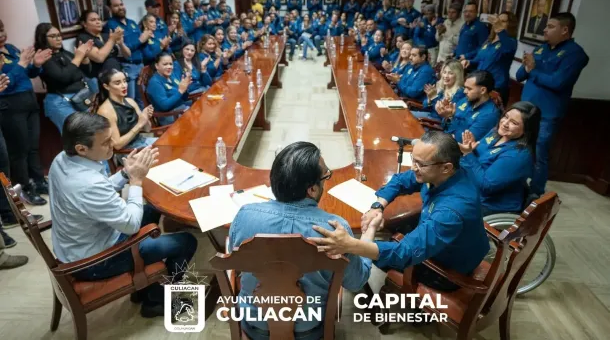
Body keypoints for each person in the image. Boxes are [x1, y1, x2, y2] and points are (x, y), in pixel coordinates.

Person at [49, 112, 197, 317]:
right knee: (186, 242)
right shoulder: (87, 184)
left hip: (81, 243)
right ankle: (156, 301)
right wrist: (136, 181)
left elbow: (99, 193)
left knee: (153, 209)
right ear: (81, 148)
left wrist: (126, 173)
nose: (113, 145)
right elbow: (131, 224)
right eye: (106, 142)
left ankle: (144, 288)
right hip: (95, 261)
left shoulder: (62, 160)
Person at [311, 131, 490, 292]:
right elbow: (400, 181)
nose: (413, 168)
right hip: (444, 240)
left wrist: (351, 245)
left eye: (420, 164)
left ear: (446, 167)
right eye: (413, 160)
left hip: (446, 269)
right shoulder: (443, 172)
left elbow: (405, 253)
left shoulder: (452, 211)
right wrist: (377, 206)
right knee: (384, 234)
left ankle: (357, 278)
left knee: (368, 249)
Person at [229, 142, 374, 340]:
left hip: (253, 326)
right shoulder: (335, 230)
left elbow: (236, 261)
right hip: (309, 331)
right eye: (325, 176)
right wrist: (367, 235)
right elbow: (356, 282)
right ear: (312, 189)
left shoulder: (244, 216)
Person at [516, 12, 588, 196]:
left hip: (546, 114)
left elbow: (558, 82)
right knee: (518, 150)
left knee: (539, 155)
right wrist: (526, 67)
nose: (545, 30)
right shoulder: (541, 49)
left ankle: (535, 194)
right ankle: (515, 187)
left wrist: (533, 69)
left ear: (565, 30)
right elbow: (519, 76)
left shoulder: (575, 54)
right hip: (525, 110)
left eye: (550, 26)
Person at [459, 101, 541, 216]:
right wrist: (471, 149)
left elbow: (485, 186)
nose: (505, 123)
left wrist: (468, 154)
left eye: (514, 123)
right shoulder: (496, 132)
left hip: (489, 206)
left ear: (526, 130)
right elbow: (480, 156)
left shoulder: (517, 155)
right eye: (506, 116)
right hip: (471, 189)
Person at [0, 22, 50, 205]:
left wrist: (36, 64)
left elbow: (29, 73)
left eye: (2, 30)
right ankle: (25, 188)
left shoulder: (11, 49)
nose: (1, 34)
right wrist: (21, 63)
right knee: (19, 151)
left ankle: (39, 182)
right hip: (10, 105)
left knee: (33, 147)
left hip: (29, 101)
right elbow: (6, 83)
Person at [36, 23, 93, 133]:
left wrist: (84, 57)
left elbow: (86, 72)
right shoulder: (44, 58)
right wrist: (78, 58)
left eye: (59, 35)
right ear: (42, 38)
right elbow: (64, 77)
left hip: (79, 98)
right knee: (76, 136)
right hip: (61, 102)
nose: (58, 39)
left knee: (88, 134)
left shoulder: (65, 53)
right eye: (53, 36)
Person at [462, 12, 518, 105]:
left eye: (503, 21)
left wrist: (500, 30)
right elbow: (479, 60)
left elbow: (508, 49)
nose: (498, 23)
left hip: (496, 87)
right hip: (479, 84)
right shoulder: (489, 41)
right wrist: (469, 62)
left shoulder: (511, 42)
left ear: (510, 25)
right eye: (497, 21)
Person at [95, 68, 157, 150]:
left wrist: (145, 117)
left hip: (143, 141)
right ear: (106, 86)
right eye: (118, 83)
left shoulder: (131, 101)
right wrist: (139, 125)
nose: (124, 86)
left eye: (125, 81)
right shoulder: (105, 111)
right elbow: (117, 145)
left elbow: (147, 129)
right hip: (128, 151)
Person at [104, 0, 149, 105]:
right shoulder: (110, 25)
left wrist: (145, 39)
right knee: (130, 101)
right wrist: (140, 40)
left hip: (140, 65)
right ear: (109, 8)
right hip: (127, 66)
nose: (120, 7)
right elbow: (121, 48)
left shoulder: (131, 22)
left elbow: (142, 42)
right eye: (116, 6)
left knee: (143, 99)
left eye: (121, 4)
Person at [436, 71, 501, 143]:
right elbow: (443, 125)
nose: (464, 91)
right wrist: (447, 117)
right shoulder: (466, 99)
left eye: (469, 89)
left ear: (483, 90)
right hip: (443, 137)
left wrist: (451, 118)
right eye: (465, 87)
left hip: (453, 146)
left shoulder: (489, 115)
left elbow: (462, 140)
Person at [146, 53, 191, 125]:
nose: (169, 67)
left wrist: (185, 88)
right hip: (169, 116)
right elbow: (165, 106)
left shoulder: (171, 76)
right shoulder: (154, 83)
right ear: (157, 66)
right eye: (165, 64)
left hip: (181, 108)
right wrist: (180, 91)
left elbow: (184, 98)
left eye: (171, 64)